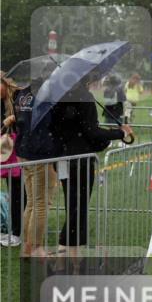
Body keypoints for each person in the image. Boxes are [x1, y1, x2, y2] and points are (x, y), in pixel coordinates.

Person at [50, 77, 131, 259]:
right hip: (80, 160)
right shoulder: (84, 98)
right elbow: (92, 132)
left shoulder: (58, 97)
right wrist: (120, 133)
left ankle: (70, 251)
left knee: (72, 205)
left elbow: (57, 129)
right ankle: (67, 252)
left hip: (62, 158)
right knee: (78, 207)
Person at [10, 76, 61, 258]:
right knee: (41, 203)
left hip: (24, 149)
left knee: (31, 202)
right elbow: (51, 124)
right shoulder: (46, 95)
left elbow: (19, 120)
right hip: (39, 152)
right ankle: (35, 248)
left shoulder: (23, 93)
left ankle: (27, 247)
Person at [1, 72, 23, 247]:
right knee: (14, 193)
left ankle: (18, 232)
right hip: (7, 153)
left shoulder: (19, 97)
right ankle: (15, 230)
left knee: (20, 193)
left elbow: (30, 119)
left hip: (22, 151)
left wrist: (15, 118)